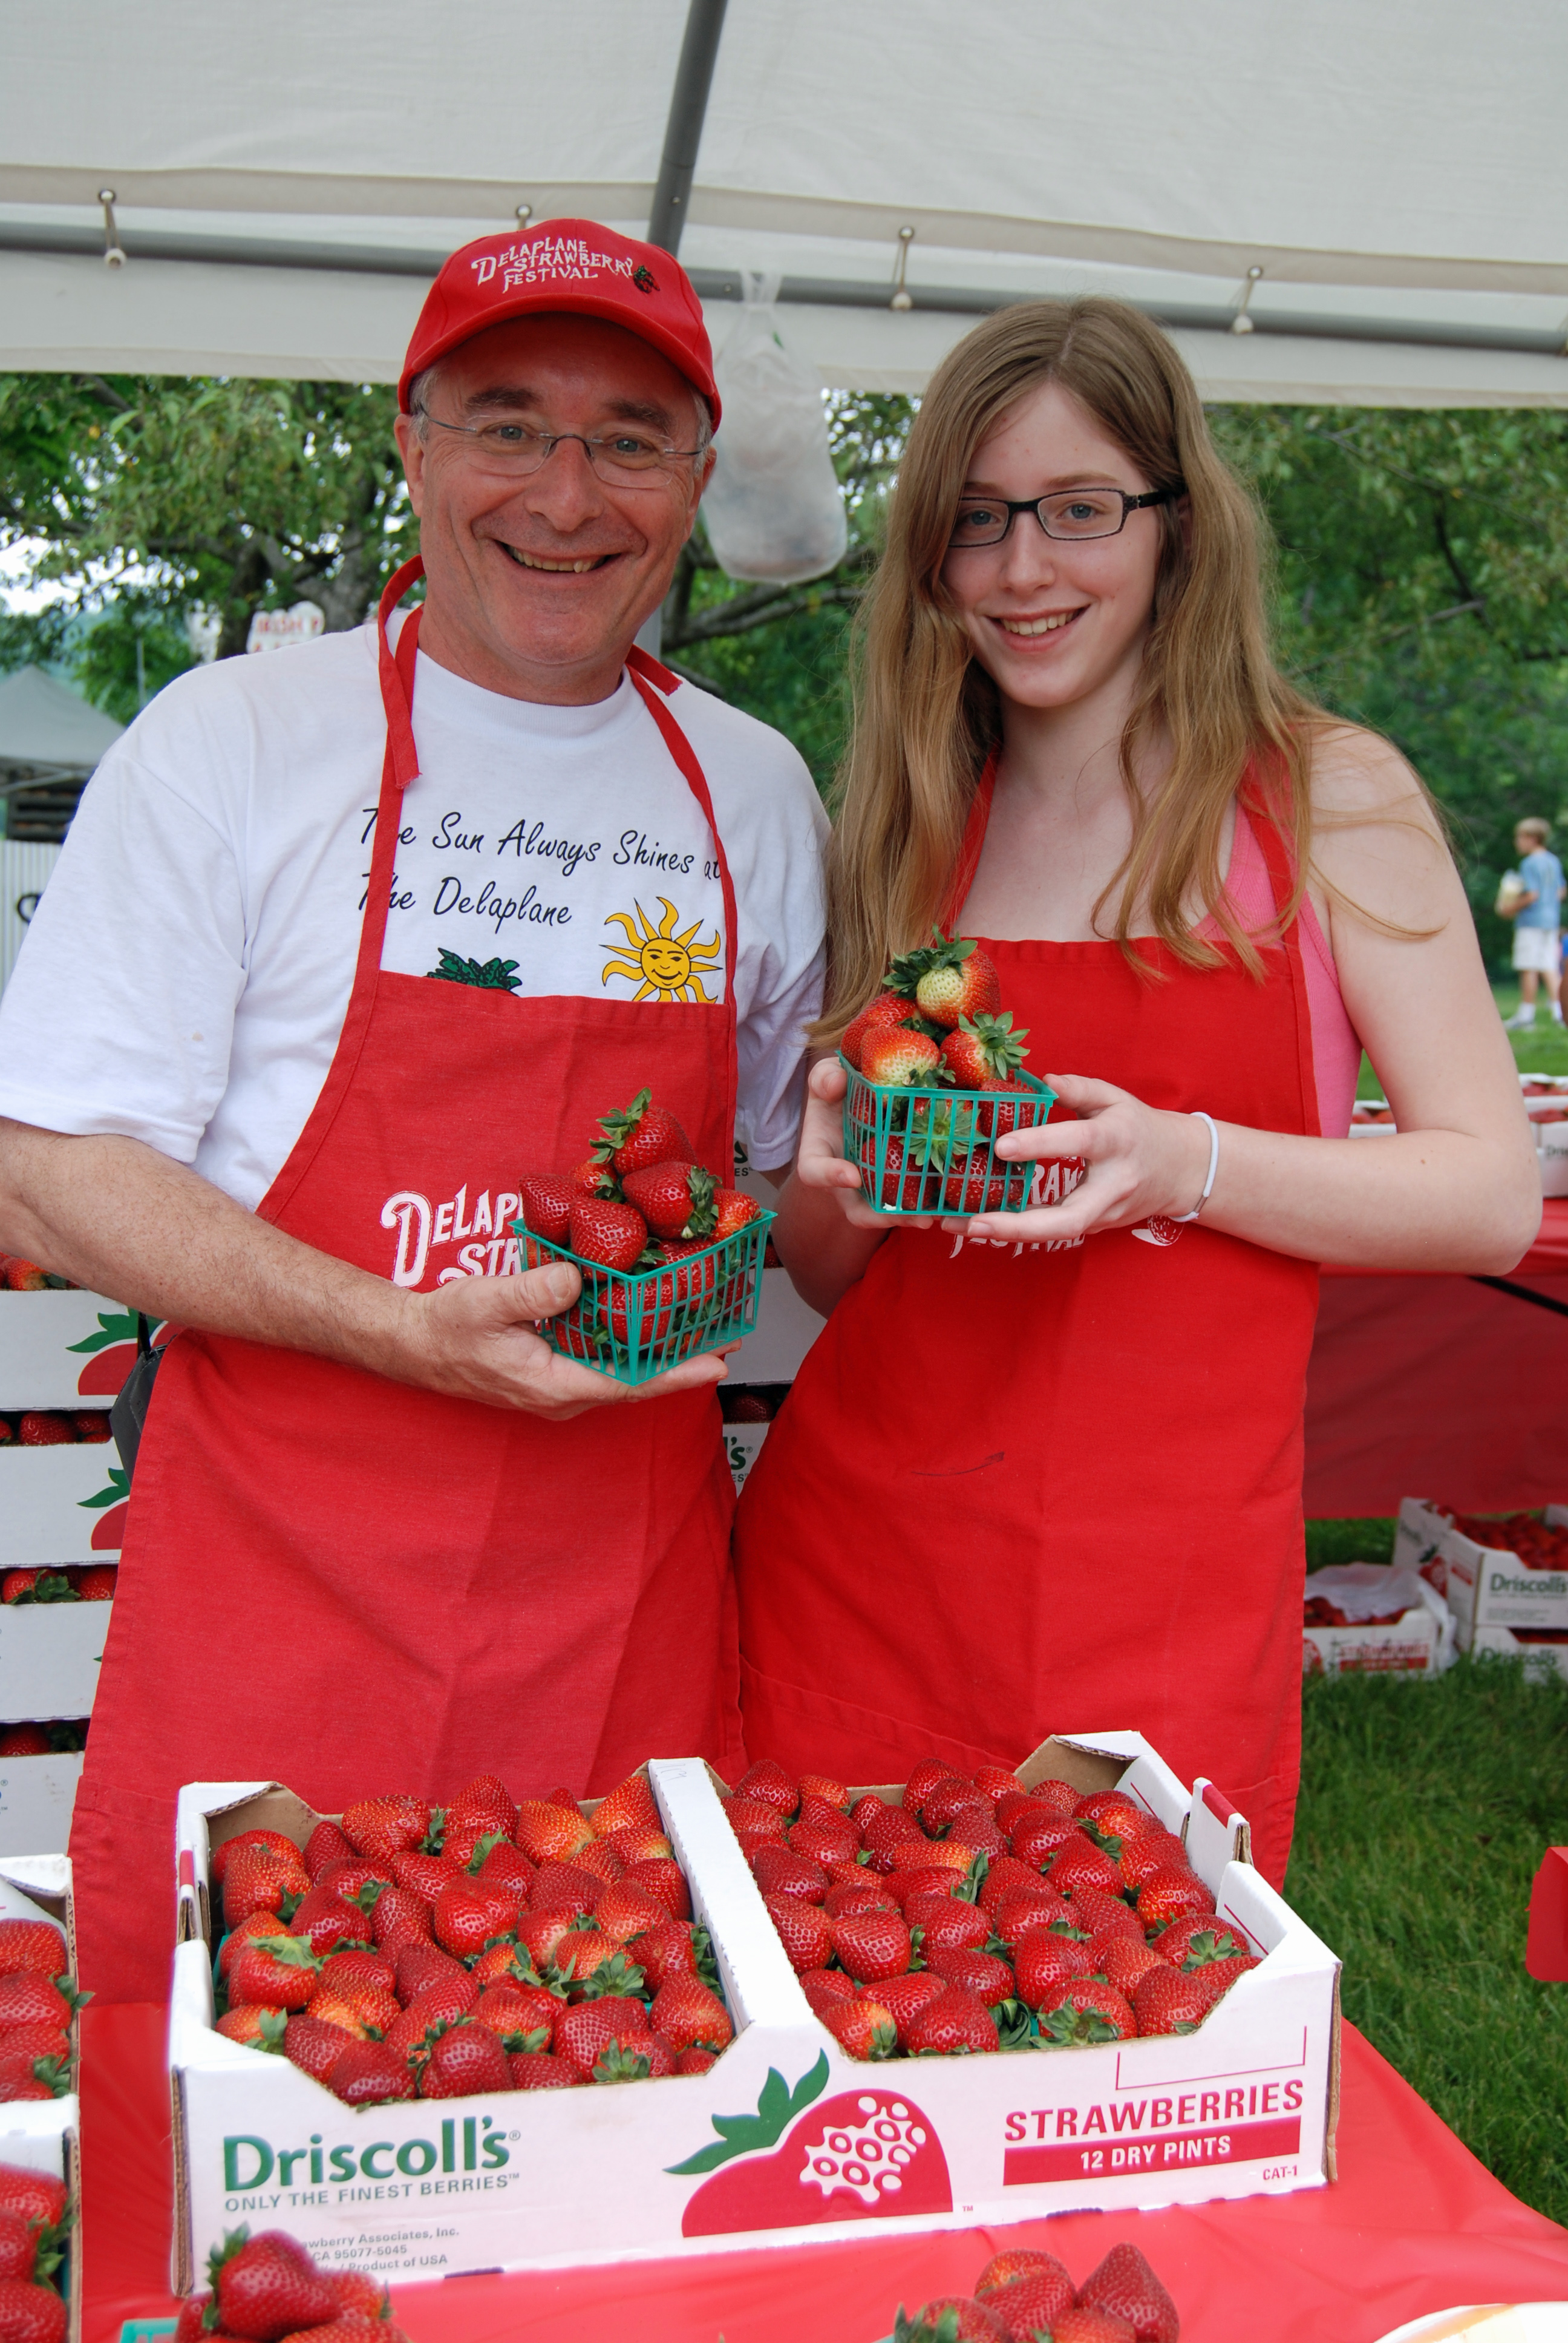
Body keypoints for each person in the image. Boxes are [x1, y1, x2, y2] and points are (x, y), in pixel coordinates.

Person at [0, 218, 828, 2000]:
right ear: (414, 442)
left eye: (629, 439)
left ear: (693, 479)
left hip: (622, 1610)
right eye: (508, 422)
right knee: (252, 2158)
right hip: (287, 1594)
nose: (566, 490)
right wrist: (392, 1324)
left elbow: (792, 1181)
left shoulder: (754, 788)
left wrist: (982, 1144)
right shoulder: (232, 742)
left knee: (611, 2125)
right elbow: (56, 1173)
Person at [733, 300, 1538, 1887]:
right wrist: (831, 1171)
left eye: (1080, 510)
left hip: (1163, 1589)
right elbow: (835, 1280)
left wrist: (1187, 1165)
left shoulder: (1324, 801)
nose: (1023, 569)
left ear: (1181, 526)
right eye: (975, 522)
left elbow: (1487, 1191)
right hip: (865, 1565)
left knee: (1132, 2068)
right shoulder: (910, 826)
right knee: (854, 2069)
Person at [1500, 816, 1564, 1029]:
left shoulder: (1529, 863)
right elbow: (1561, 891)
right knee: (1549, 966)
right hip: (1551, 920)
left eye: (1520, 837)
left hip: (1531, 921)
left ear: (1533, 839)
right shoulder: (1552, 861)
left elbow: (1532, 895)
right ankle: (1559, 1011)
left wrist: (1509, 908)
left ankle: (1526, 1014)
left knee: (1528, 966)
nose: (1517, 842)